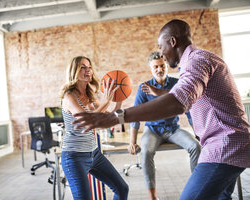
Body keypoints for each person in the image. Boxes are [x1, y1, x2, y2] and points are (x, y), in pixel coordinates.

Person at [73, 19, 250, 200]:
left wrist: (116, 117)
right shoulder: (197, 61)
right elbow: (186, 98)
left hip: (224, 145)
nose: (162, 54)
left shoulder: (197, 61)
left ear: (173, 42)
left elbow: (178, 102)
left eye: (161, 46)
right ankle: (153, 194)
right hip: (224, 142)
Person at [128, 51, 201, 200]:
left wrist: (197, 132)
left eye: (162, 65)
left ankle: (197, 188)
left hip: (173, 130)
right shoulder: (144, 87)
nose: (159, 69)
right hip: (153, 130)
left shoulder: (176, 84)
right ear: (151, 68)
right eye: (155, 67)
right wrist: (132, 142)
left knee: (195, 146)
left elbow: (189, 111)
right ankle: (152, 196)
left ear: (166, 66)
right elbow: (135, 116)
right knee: (146, 152)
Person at [60, 56, 129, 200]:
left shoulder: (91, 96)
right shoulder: (69, 97)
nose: (88, 70)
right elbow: (86, 120)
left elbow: (113, 119)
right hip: (74, 157)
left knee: (122, 189)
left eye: (89, 67)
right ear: (74, 71)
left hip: (94, 153)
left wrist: (119, 101)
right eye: (83, 67)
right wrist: (106, 101)